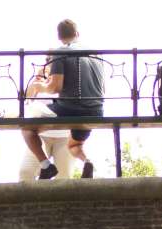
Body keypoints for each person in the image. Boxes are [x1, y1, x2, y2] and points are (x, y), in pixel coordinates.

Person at [22, 19, 105, 179]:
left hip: (72, 109)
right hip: (96, 110)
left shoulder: (61, 51)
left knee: (26, 127)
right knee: (74, 144)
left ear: (59, 37)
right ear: (77, 33)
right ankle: (88, 162)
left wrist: (39, 87)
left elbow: (55, 87)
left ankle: (46, 166)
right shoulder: (96, 53)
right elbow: (103, 88)